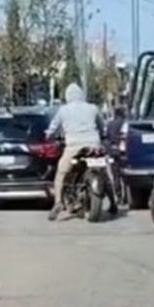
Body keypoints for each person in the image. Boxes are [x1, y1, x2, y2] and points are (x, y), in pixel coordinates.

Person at [46, 83, 105, 221]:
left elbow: (53, 127)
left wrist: (48, 135)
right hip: (94, 145)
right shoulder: (93, 108)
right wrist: (102, 135)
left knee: (61, 173)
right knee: (103, 169)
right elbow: (102, 125)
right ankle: (113, 198)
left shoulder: (63, 110)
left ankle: (58, 202)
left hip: (73, 146)